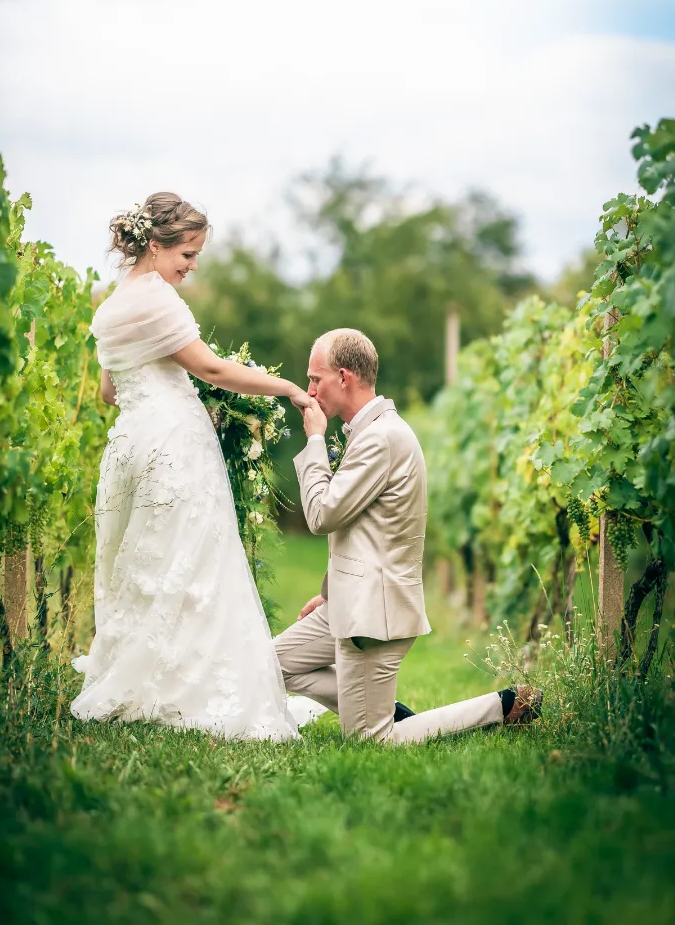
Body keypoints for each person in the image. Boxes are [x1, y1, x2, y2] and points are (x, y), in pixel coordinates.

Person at [71, 192, 322, 739]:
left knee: (145, 564)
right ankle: (191, 689)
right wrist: (284, 388)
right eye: (187, 255)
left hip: (130, 446)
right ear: (155, 245)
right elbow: (212, 369)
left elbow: (109, 393)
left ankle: (143, 683)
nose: (191, 267)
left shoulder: (109, 308)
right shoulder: (159, 300)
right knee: (195, 563)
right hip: (174, 446)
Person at [274, 328, 543, 743]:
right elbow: (369, 531)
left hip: (372, 614)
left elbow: (323, 514)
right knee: (272, 665)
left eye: (315, 379)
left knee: (370, 741)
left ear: (344, 377)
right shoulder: (371, 432)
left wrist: (314, 440)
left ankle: (503, 705)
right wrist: (330, 594)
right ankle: (382, 711)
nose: (309, 390)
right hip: (350, 599)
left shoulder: (381, 439)